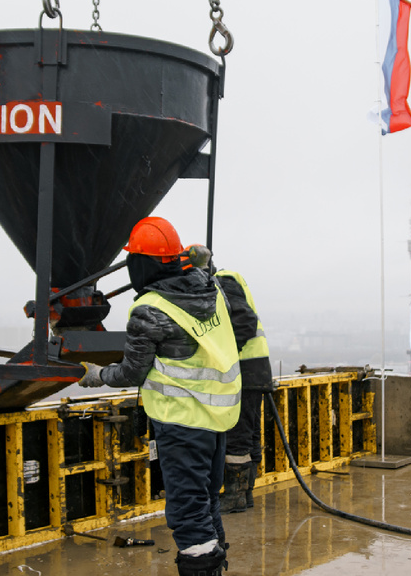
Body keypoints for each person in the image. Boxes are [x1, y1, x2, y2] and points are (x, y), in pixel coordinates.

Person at [78, 217, 241, 576]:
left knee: (187, 511)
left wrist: (96, 376)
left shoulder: (150, 309)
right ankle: (216, 564)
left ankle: (203, 569)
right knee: (206, 500)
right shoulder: (207, 288)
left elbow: (132, 371)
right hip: (216, 418)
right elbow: (206, 272)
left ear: (140, 264)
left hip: (182, 423)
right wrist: (203, 261)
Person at [181, 244, 275, 514]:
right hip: (252, 370)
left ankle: (235, 497)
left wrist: (221, 353)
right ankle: (245, 495)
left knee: (237, 436)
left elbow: (244, 322)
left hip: (243, 371)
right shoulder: (224, 282)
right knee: (248, 435)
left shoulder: (222, 283)